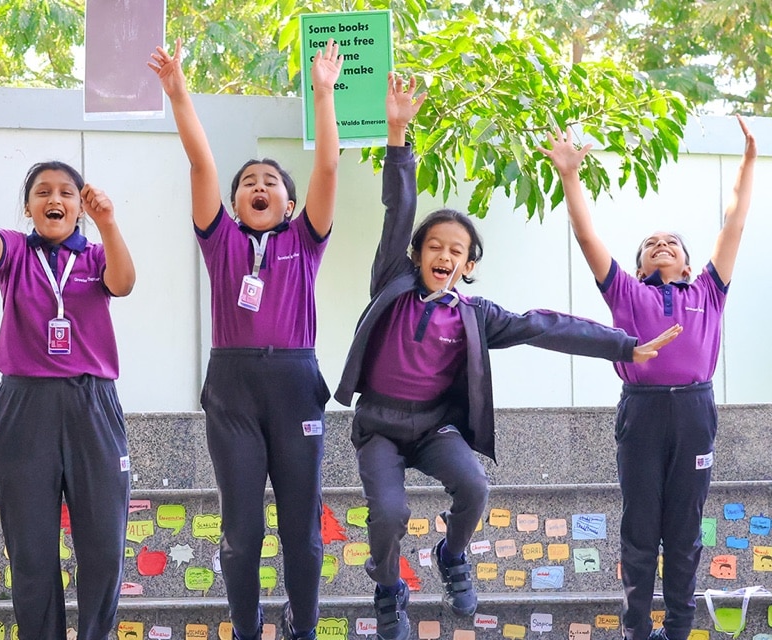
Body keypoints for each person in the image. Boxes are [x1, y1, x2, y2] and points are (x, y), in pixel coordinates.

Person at [332, 74, 682, 640]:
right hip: (378, 427)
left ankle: (452, 554)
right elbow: (399, 207)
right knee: (390, 515)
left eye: (457, 251)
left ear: (468, 265)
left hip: (433, 428)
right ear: (416, 255)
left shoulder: (474, 314)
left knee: (473, 486)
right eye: (434, 247)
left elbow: (545, 325)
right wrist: (398, 133)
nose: (444, 255)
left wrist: (624, 345)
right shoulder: (391, 282)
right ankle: (387, 587)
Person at [148, 38, 342, 640]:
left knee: (301, 530)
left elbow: (329, 168)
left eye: (272, 182)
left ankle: (302, 626)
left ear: (288, 202)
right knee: (241, 529)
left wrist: (324, 92)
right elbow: (202, 164)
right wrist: (179, 93)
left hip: (295, 384)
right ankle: (247, 626)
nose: (260, 186)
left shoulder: (304, 240)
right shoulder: (221, 242)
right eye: (249, 182)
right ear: (234, 204)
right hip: (232, 389)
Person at [539, 116, 756, 640]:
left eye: (673, 244)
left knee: (683, 531)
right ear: (637, 268)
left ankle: (678, 630)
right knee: (640, 530)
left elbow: (734, 226)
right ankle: (638, 630)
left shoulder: (707, 290)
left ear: (685, 265)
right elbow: (587, 235)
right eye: (651, 244)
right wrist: (570, 174)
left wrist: (749, 164)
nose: (662, 245)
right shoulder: (626, 293)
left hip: (695, 414)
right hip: (641, 412)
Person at [0, 152, 135, 640]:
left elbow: (124, 282)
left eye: (67, 193)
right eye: (43, 192)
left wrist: (109, 223)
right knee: (30, 549)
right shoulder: (15, 252)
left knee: (104, 546)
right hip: (25, 408)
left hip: (93, 405)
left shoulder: (95, 256)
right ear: (28, 208)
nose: (55, 199)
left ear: (81, 208)